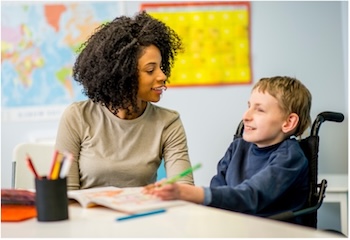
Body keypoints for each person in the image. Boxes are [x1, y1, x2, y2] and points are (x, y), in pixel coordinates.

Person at [55, 11, 194, 190]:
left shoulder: (168, 123)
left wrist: (173, 191)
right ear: (123, 74)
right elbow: (66, 194)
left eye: (161, 67)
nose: (162, 76)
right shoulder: (77, 117)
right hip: (88, 217)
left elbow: (184, 189)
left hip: (141, 216)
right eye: (150, 70)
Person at [145, 76, 311, 223]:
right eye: (249, 106)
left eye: (259, 109)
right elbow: (218, 190)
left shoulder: (290, 157)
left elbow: (251, 196)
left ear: (288, 122)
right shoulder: (238, 147)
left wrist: (188, 193)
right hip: (235, 228)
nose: (246, 116)